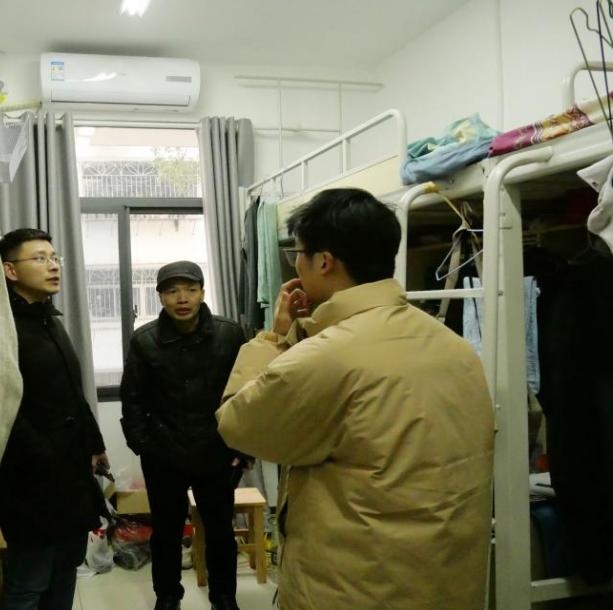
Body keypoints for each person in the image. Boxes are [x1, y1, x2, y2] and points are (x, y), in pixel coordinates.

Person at [216, 189, 495, 610]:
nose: (296, 264)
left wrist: (273, 338)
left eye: (298, 253)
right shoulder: (453, 346)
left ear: (324, 262)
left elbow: (238, 423)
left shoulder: (325, 357)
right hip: (447, 578)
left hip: (357, 586)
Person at [0, 228, 109, 610]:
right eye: (40, 258)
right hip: (29, 480)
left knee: (65, 569)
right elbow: (4, 405)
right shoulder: (1, 327)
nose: (53, 266)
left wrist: (94, 443)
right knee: (29, 580)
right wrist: (43, 456)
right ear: (10, 270)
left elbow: (73, 390)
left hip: (70, 476)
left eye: (55, 258)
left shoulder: (49, 320)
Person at [120, 261, 248, 610]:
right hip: (164, 452)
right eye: (173, 290)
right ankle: (167, 597)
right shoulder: (145, 340)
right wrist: (142, 444)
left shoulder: (229, 334)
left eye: (191, 289)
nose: (182, 298)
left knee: (220, 530)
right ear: (160, 296)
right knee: (166, 531)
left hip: (216, 450)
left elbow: (247, 391)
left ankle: (224, 597)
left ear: (203, 293)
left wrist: (242, 447)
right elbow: (132, 398)